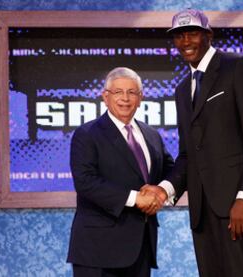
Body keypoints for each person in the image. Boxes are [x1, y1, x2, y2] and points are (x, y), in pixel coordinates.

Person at [143, 9, 243, 277]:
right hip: (202, 210)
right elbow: (188, 154)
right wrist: (164, 190)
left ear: (209, 35)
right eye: (179, 36)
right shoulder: (182, 90)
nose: (185, 42)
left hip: (237, 207)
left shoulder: (238, 67)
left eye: (192, 33)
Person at [67, 67, 174, 277]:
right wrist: (136, 199)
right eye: (118, 92)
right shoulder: (87, 134)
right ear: (105, 97)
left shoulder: (152, 135)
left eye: (132, 92)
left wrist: (162, 192)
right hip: (98, 253)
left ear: (140, 97)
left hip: (141, 249)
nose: (125, 98)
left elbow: (170, 171)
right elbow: (86, 182)